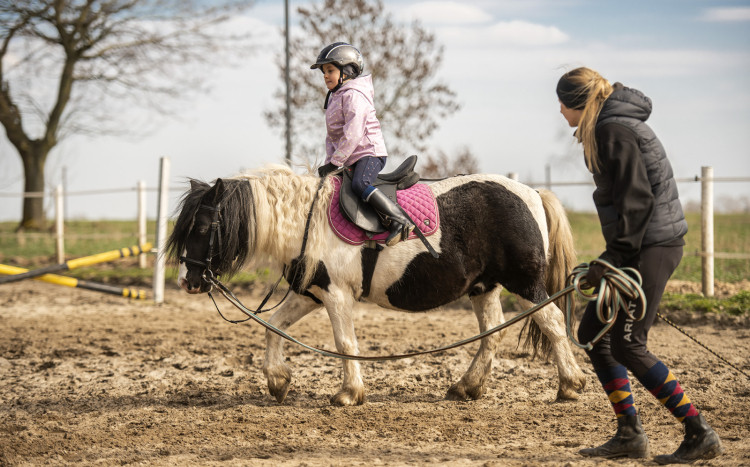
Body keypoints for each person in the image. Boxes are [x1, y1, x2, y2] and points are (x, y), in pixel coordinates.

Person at [556, 67, 723, 464]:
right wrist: (611, 257)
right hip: (641, 246)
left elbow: (638, 201)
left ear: (576, 103)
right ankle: (629, 433)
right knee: (594, 333)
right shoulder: (612, 126)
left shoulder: (613, 131)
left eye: (561, 102)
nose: (559, 111)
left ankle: (699, 432)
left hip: (652, 246)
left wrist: (613, 258)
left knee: (629, 344)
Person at [311, 42, 414, 247]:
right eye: (324, 72)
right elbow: (332, 137)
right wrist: (329, 165)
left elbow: (354, 132)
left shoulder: (354, 95)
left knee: (360, 184)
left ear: (347, 71)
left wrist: (336, 161)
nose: (325, 75)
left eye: (330, 70)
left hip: (369, 152)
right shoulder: (334, 98)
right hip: (351, 155)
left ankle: (400, 220)